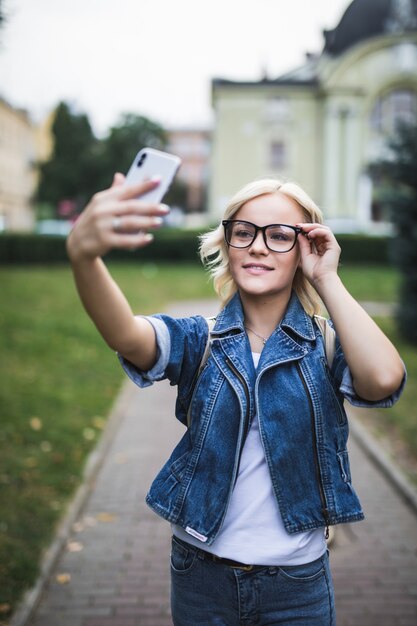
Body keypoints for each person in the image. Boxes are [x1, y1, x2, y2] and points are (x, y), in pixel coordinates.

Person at [67, 173, 406, 626]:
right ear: (227, 244)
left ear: (305, 250)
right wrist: (84, 257)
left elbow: (384, 378)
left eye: (280, 235)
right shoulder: (199, 339)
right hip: (201, 579)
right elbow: (127, 335)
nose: (259, 246)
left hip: (298, 583)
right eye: (243, 232)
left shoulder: (324, 346)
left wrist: (327, 279)